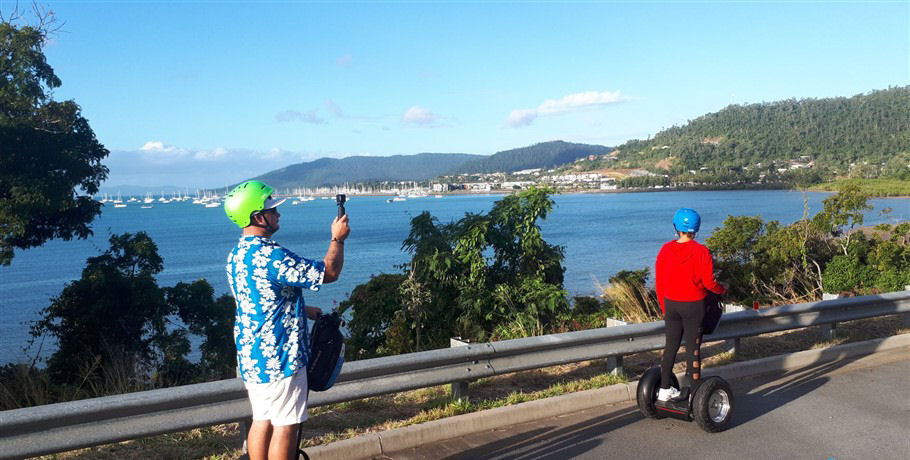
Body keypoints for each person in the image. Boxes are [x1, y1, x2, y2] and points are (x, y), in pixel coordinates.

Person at [224, 180, 350, 460]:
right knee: (286, 425)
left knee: (262, 419)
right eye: (272, 210)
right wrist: (338, 239)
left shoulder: (237, 255)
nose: (277, 213)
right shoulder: (272, 255)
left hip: (253, 356)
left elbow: (261, 299)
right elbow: (329, 272)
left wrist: (304, 309)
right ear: (258, 217)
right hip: (282, 357)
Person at [654, 208, 726, 402]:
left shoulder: (665, 249)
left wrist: (664, 306)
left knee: (671, 347)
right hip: (693, 305)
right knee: (693, 348)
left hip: (671, 304)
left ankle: (664, 389)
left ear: (676, 227)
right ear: (696, 228)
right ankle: (694, 391)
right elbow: (709, 283)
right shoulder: (702, 251)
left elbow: (659, 282)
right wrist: (722, 290)